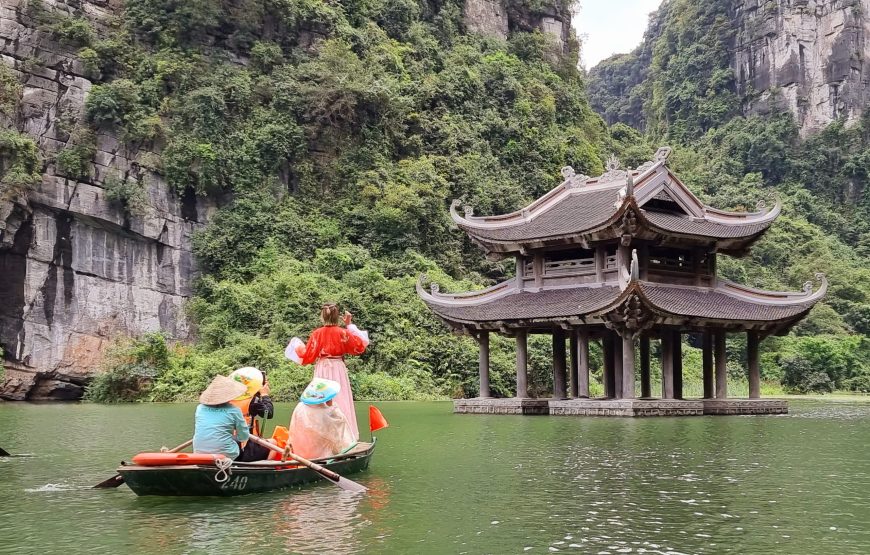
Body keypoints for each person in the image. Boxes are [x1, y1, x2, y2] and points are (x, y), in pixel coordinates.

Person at [285, 304, 369, 440]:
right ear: (338, 317)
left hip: (322, 368)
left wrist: (297, 346)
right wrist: (349, 325)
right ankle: (345, 437)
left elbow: (307, 355)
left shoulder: (317, 334)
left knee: (319, 402)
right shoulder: (343, 332)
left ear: (323, 316)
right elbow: (359, 346)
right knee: (340, 399)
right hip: (338, 368)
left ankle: (320, 438)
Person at [288, 378, 355, 460]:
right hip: (320, 456)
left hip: (300, 453)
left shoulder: (299, 406)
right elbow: (339, 428)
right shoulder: (327, 412)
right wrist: (331, 404)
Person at [193, 375, 250, 460]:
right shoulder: (234, 410)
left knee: (230, 439)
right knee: (238, 443)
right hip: (226, 455)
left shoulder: (200, 408)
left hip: (199, 453)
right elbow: (243, 437)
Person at [228, 367, 274, 462]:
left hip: (224, 442)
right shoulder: (252, 401)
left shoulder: (224, 399)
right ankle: (265, 469)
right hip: (243, 447)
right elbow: (268, 413)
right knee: (274, 443)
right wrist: (264, 395)